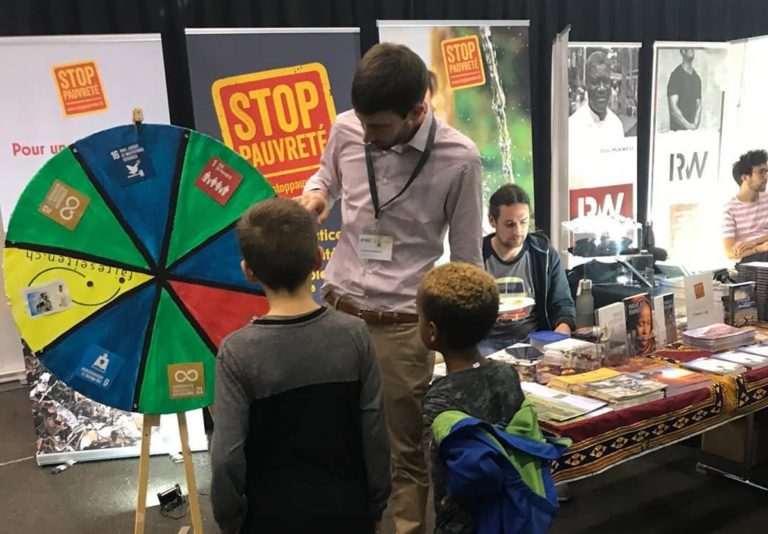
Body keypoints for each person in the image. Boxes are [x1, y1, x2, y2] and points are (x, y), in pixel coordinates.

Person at [298, 42, 483, 534]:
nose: (367, 134)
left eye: (378, 127)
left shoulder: (459, 160)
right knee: (336, 440)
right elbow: (327, 177)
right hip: (334, 314)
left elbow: (467, 260)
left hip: (402, 327)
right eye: (362, 122)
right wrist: (316, 196)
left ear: (417, 110)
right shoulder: (347, 127)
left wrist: (461, 348)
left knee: (404, 452)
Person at [210, 198, 390, 534]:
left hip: (268, 520)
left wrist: (231, 520)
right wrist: (376, 504)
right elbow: (374, 430)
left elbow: (226, 458)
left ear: (248, 271)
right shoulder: (354, 334)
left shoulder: (237, 352)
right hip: (348, 512)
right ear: (318, 259)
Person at [420, 263, 568, 533]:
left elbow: (458, 475)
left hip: (465, 523)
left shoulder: (438, 399)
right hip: (513, 511)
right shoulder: (506, 374)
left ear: (431, 331)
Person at [479, 184, 575, 356]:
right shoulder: (476, 257)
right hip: (486, 342)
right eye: (509, 224)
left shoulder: (543, 255)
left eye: (523, 222)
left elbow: (562, 303)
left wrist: (563, 328)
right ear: (492, 221)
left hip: (534, 339)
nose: (518, 231)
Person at [569, 50, 626, 144]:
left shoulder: (616, 125)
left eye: (606, 81)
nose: (602, 88)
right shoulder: (572, 126)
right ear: (586, 84)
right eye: (595, 82)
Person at [723, 149, 768, 262]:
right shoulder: (730, 208)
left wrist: (754, 242)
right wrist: (758, 248)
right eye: (761, 172)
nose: (766, 176)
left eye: (767, 171)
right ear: (745, 178)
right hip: (750, 259)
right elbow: (729, 252)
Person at [667, 48, 702, 131]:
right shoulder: (676, 75)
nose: (692, 50)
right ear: (682, 51)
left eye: (693, 49)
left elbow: (699, 104)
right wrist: (687, 125)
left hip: (692, 132)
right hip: (678, 133)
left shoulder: (696, 78)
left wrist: (695, 125)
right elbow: (673, 107)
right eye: (689, 49)